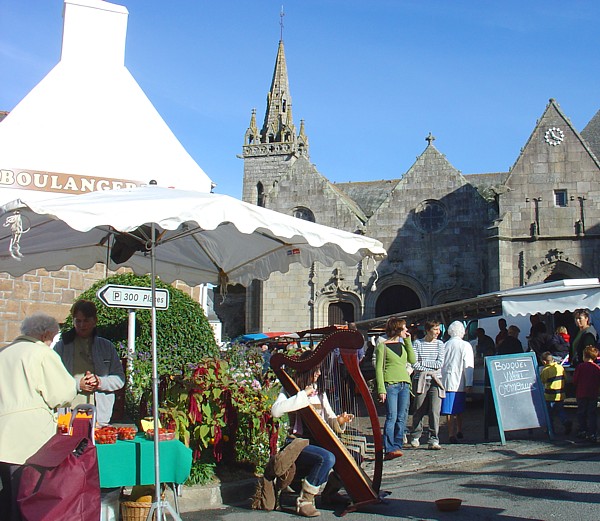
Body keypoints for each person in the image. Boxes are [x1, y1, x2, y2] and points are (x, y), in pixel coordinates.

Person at [0, 313, 77, 521]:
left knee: (7, 499)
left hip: (3, 436)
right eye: (52, 338)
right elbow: (62, 394)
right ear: (45, 335)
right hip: (29, 439)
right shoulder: (41, 353)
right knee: (27, 500)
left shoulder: (4, 353)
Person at [271, 355, 355, 517]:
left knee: (353, 455)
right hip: (297, 443)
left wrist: (341, 420)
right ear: (306, 370)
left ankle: (329, 493)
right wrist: (303, 394)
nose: (318, 373)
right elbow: (276, 411)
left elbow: (329, 418)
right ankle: (305, 501)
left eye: (319, 370)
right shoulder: (290, 390)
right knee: (327, 458)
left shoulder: (319, 393)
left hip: (318, 442)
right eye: (315, 370)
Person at [54, 300, 125, 426]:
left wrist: (100, 382)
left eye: (86, 320)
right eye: (78, 321)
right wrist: (77, 385)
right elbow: (53, 379)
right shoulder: (62, 347)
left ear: (94, 321)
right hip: (67, 413)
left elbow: (119, 379)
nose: (82, 325)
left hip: (98, 416)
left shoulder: (106, 347)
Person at [375, 317, 416, 460]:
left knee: (402, 417)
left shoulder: (404, 344)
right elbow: (379, 369)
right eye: (404, 328)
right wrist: (381, 389)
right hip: (390, 384)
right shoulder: (382, 346)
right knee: (391, 417)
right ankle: (389, 447)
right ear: (397, 329)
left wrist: (408, 342)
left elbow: (413, 360)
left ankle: (398, 446)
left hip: (405, 384)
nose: (407, 330)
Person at [409, 320, 445, 450]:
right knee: (419, 408)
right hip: (421, 380)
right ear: (428, 330)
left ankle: (433, 438)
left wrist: (424, 364)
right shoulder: (417, 343)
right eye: (435, 329)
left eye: (438, 329)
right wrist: (426, 366)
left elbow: (440, 363)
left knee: (435, 410)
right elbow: (414, 363)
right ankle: (415, 435)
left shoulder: (440, 344)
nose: (438, 332)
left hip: (436, 380)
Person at [440, 321, 474, 444]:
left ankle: (451, 433)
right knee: (459, 409)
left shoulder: (445, 345)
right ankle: (459, 429)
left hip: (447, 381)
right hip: (460, 381)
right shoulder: (466, 345)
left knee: (449, 410)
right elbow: (468, 365)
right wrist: (469, 382)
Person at [540, 351, 572, 435]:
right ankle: (565, 421)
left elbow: (542, 381)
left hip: (549, 395)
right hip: (560, 394)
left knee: (549, 414)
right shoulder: (559, 367)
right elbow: (565, 378)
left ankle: (550, 429)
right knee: (560, 411)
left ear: (544, 361)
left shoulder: (545, 370)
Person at [573, 346, 600, 442]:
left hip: (581, 392)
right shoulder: (597, 368)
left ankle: (583, 430)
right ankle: (593, 433)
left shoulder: (580, 367)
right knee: (592, 413)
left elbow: (575, 380)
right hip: (593, 393)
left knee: (581, 412)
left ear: (584, 355)